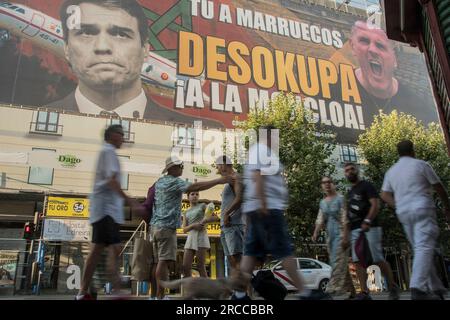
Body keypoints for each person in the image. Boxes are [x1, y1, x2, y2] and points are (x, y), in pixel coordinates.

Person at [49, 0, 221, 127]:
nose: (102, 47)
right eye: (86, 33)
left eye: (120, 34)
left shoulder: (205, 129)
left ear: (145, 50)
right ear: (66, 48)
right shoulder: (39, 116)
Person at [232, 125, 326, 300]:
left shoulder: (262, 152)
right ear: (268, 135)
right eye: (276, 136)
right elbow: (257, 176)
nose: (277, 140)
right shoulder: (261, 150)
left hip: (259, 208)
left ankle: (238, 295)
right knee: (283, 250)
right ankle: (305, 292)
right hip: (267, 208)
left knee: (251, 254)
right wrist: (264, 204)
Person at [337, 20, 438, 143]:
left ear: (394, 59)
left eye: (380, 46)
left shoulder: (421, 108)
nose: (372, 50)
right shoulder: (335, 90)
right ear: (353, 47)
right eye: (364, 41)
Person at [150, 155, 230, 300]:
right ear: (172, 168)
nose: (182, 168)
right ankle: (160, 296)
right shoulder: (174, 182)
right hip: (166, 227)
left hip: (155, 226)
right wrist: (219, 180)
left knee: (160, 262)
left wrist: (205, 221)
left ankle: (162, 295)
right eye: (180, 166)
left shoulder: (160, 182)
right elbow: (195, 186)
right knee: (164, 262)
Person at [381, 140, 450, 300]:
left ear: (398, 153)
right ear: (412, 150)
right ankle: (417, 287)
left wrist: (397, 206)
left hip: (404, 213)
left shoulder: (391, 171)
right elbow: (439, 187)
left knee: (420, 248)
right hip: (422, 208)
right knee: (424, 246)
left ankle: (436, 287)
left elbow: (384, 194)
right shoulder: (421, 165)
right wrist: (447, 207)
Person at [76, 124, 133, 300]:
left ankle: (84, 292)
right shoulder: (108, 151)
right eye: (121, 134)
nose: (124, 138)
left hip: (107, 211)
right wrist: (131, 201)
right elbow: (111, 181)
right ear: (112, 135)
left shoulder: (109, 153)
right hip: (106, 210)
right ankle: (112, 291)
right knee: (109, 249)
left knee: (104, 250)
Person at [343, 162, 399, 300]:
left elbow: (375, 204)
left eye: (352, 169)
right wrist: (346, 234)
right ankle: (364, 292)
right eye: (347, 170)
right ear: (345, 174)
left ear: (357, 170)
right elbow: (348, 215)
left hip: (371, 227)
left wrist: (367, 220)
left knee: (376, 259)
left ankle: (393, 286)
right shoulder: (349, 193)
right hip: (355, 230)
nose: (350, 171)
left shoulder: (366, 186)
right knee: (357, 261)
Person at [312, 176, 356, 298]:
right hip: (330, 237)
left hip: (342, 234)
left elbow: (345, 218)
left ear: (333, 184)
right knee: (339, 263)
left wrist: (346, 236)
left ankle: (331, 290)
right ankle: (352, 291)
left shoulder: (340, 198)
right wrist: (315, 232)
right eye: (324, 182)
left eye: (329, 182)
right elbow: (320, 219)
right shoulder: (322, 202)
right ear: (322, 185)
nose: (326, 184)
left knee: (337, 262)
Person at [202, 155, 245, 272]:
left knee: (238, 259)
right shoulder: (228, 181)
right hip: (225, 226)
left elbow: (240, 198)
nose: (218, 170)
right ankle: (237, 288)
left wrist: (227, 214)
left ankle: (246, 289)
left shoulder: (236, 177)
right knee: (231, 260)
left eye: (218, 166)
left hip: (234, 224)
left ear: (225, 164)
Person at [182, 191, 210, 278]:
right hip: (191, 237)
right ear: (188, 197)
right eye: (192, 194)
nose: (195, 196)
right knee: (186, 266)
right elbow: (184, 229)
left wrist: (204, 222)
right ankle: (189, 290)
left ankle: (206, 290)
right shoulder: (186, 212)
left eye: (197, 194)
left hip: (201, 235)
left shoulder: (203, 206)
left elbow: (215, 217)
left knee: (200, 266)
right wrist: (193, 225)